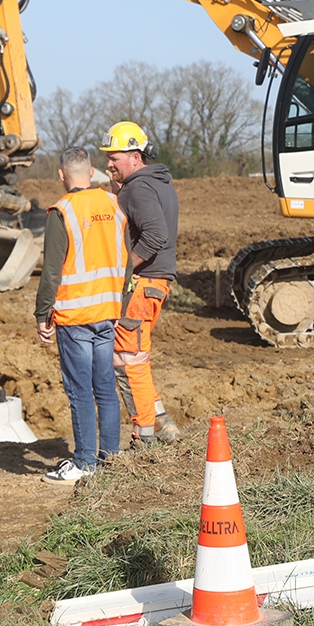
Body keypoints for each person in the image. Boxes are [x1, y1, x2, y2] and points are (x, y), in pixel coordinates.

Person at [35, 147, 127, 484]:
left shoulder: (63, 211)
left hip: (75, 316)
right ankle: (111, 459)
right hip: (108, 311)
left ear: (61, 175)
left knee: (79, 391)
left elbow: (51, 271)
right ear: (90, 173)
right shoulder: (113, 204)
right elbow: (127, 256)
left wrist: (42, 314)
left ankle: (85, 460)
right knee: (105, 386)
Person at [100, 121, 183, 449]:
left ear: (135, 157)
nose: (108, 163)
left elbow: (156, 234)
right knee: (138, 357)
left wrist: (123, 270)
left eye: (114, 157)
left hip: (141, 285)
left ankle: (143, 439)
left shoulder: (138, 188)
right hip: (156, 283)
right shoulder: (156, 183)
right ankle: (162, 423)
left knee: (126, 358)